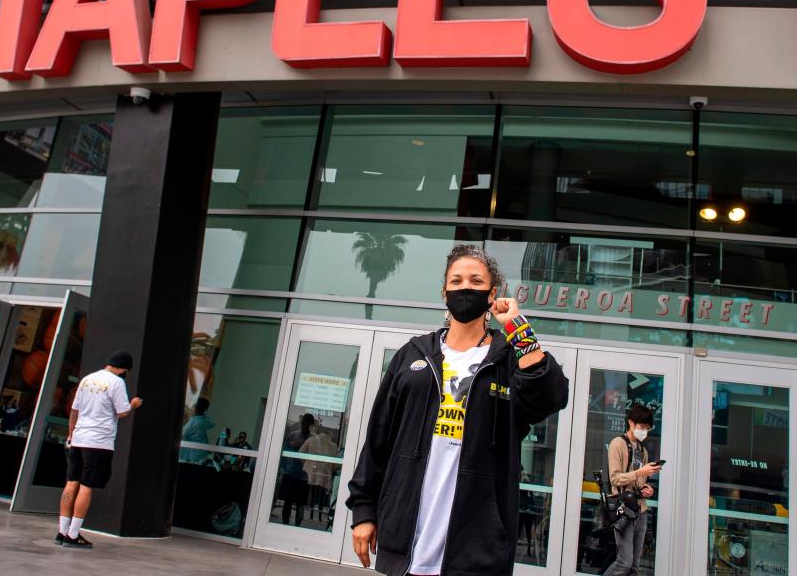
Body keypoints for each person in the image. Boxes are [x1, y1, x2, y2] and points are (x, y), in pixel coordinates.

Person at [347, 244, 569, 576]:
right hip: (406, 544)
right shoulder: (412, 356)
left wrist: (519, 330)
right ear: (444, 291)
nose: (466, 288)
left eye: (476, 282)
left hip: (477, 550)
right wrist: (365, 510)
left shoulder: (507, 359)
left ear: (493, 293)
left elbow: (549, 400)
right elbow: (379, 438)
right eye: (457, 280)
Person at [56, 350, 143, 548]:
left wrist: (71, 434)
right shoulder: (117, 382)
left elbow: (74, 410)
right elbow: (122, 412)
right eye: (126, 372)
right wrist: (134, 404)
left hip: (78, 438)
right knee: (87, 486)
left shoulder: (87, 379)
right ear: (122, 369)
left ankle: (62, 531)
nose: (125, 375)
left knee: (71, 483)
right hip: (99, 442)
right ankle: (73, 534)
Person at [604, 405, 661, 576]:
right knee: (624, 562)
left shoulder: (642, 450)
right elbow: (615, 478)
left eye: (647, 428)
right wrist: (640, 472)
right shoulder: (617, 444)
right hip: (623, 510)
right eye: (642, 426)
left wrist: (647, 489)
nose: (644, 431)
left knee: (635, 566)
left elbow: (639, 481)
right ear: (630, 422)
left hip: (641, 510)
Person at [278, 413, 315, 525]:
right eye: (304, 422)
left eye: (307, 423)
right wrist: (283, 468)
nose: (305, 425)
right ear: (301, 422)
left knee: (300, 503)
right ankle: (285, 523)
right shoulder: (293, 435)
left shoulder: (313, 439)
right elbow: (285, 452)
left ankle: (297, 524)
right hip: (290, 474)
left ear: (311, 425)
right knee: (288, 502)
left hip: (304, 476)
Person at [180, 397, 214, 464]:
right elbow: (211, 423)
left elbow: (181, 433)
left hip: (192, 454)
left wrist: (184, 421)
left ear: (195, 408)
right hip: (200, 453)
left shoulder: (193, 422)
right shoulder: (204, 420)